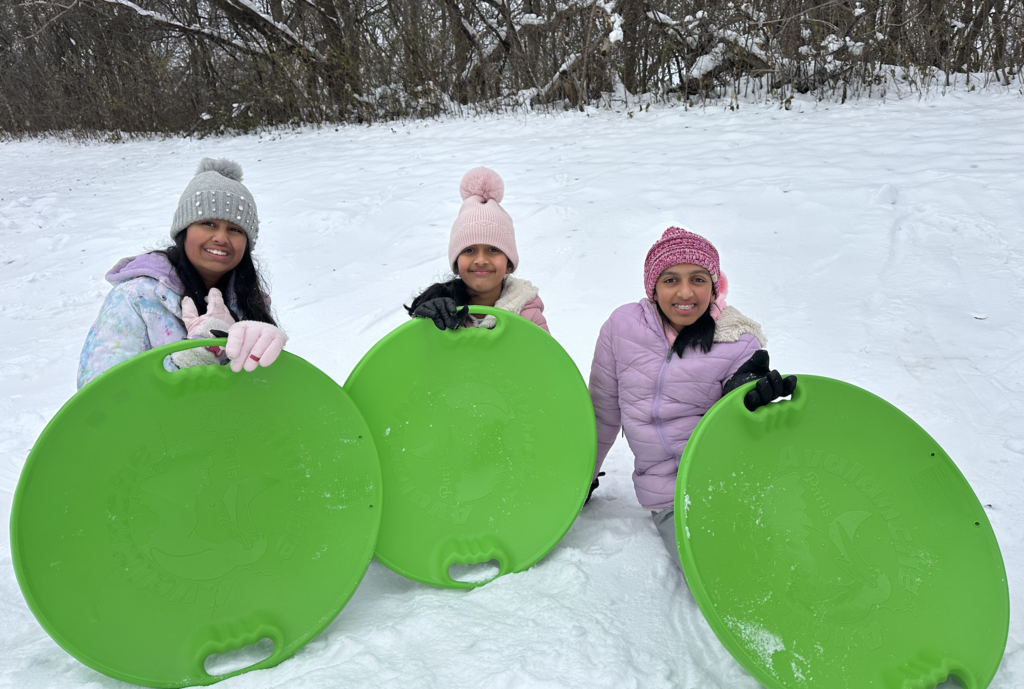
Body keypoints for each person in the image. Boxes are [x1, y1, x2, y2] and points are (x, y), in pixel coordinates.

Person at [587, 226, 796, 565]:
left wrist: (747, 402)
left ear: (715, 287)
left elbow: (745, 430)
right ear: (652, 287)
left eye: (698, 279)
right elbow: (602, 413)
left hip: (726, 482)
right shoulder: (622, 327)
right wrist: (581, 481)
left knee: (786, 553)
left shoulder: (738, 341)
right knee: (716, 569)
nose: (685, 292)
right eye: (671, 280)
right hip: (668, 497)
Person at [77, 158, 287, 388]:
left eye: (235, 229)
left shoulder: (249, 300)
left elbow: (264, 394)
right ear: (184, 231)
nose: (221, 237)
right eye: (208, 223)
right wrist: (194, 356)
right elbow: (101, 396)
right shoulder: (136, 298)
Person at [406, 167, 549, 334]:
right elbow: (417, 356)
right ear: (456, 263)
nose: (481, 260)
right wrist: (425, 325)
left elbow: (545, 358)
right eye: (469, 250)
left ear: (509, 263)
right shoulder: (439, 310)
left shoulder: (528, 313)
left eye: (493, 249)